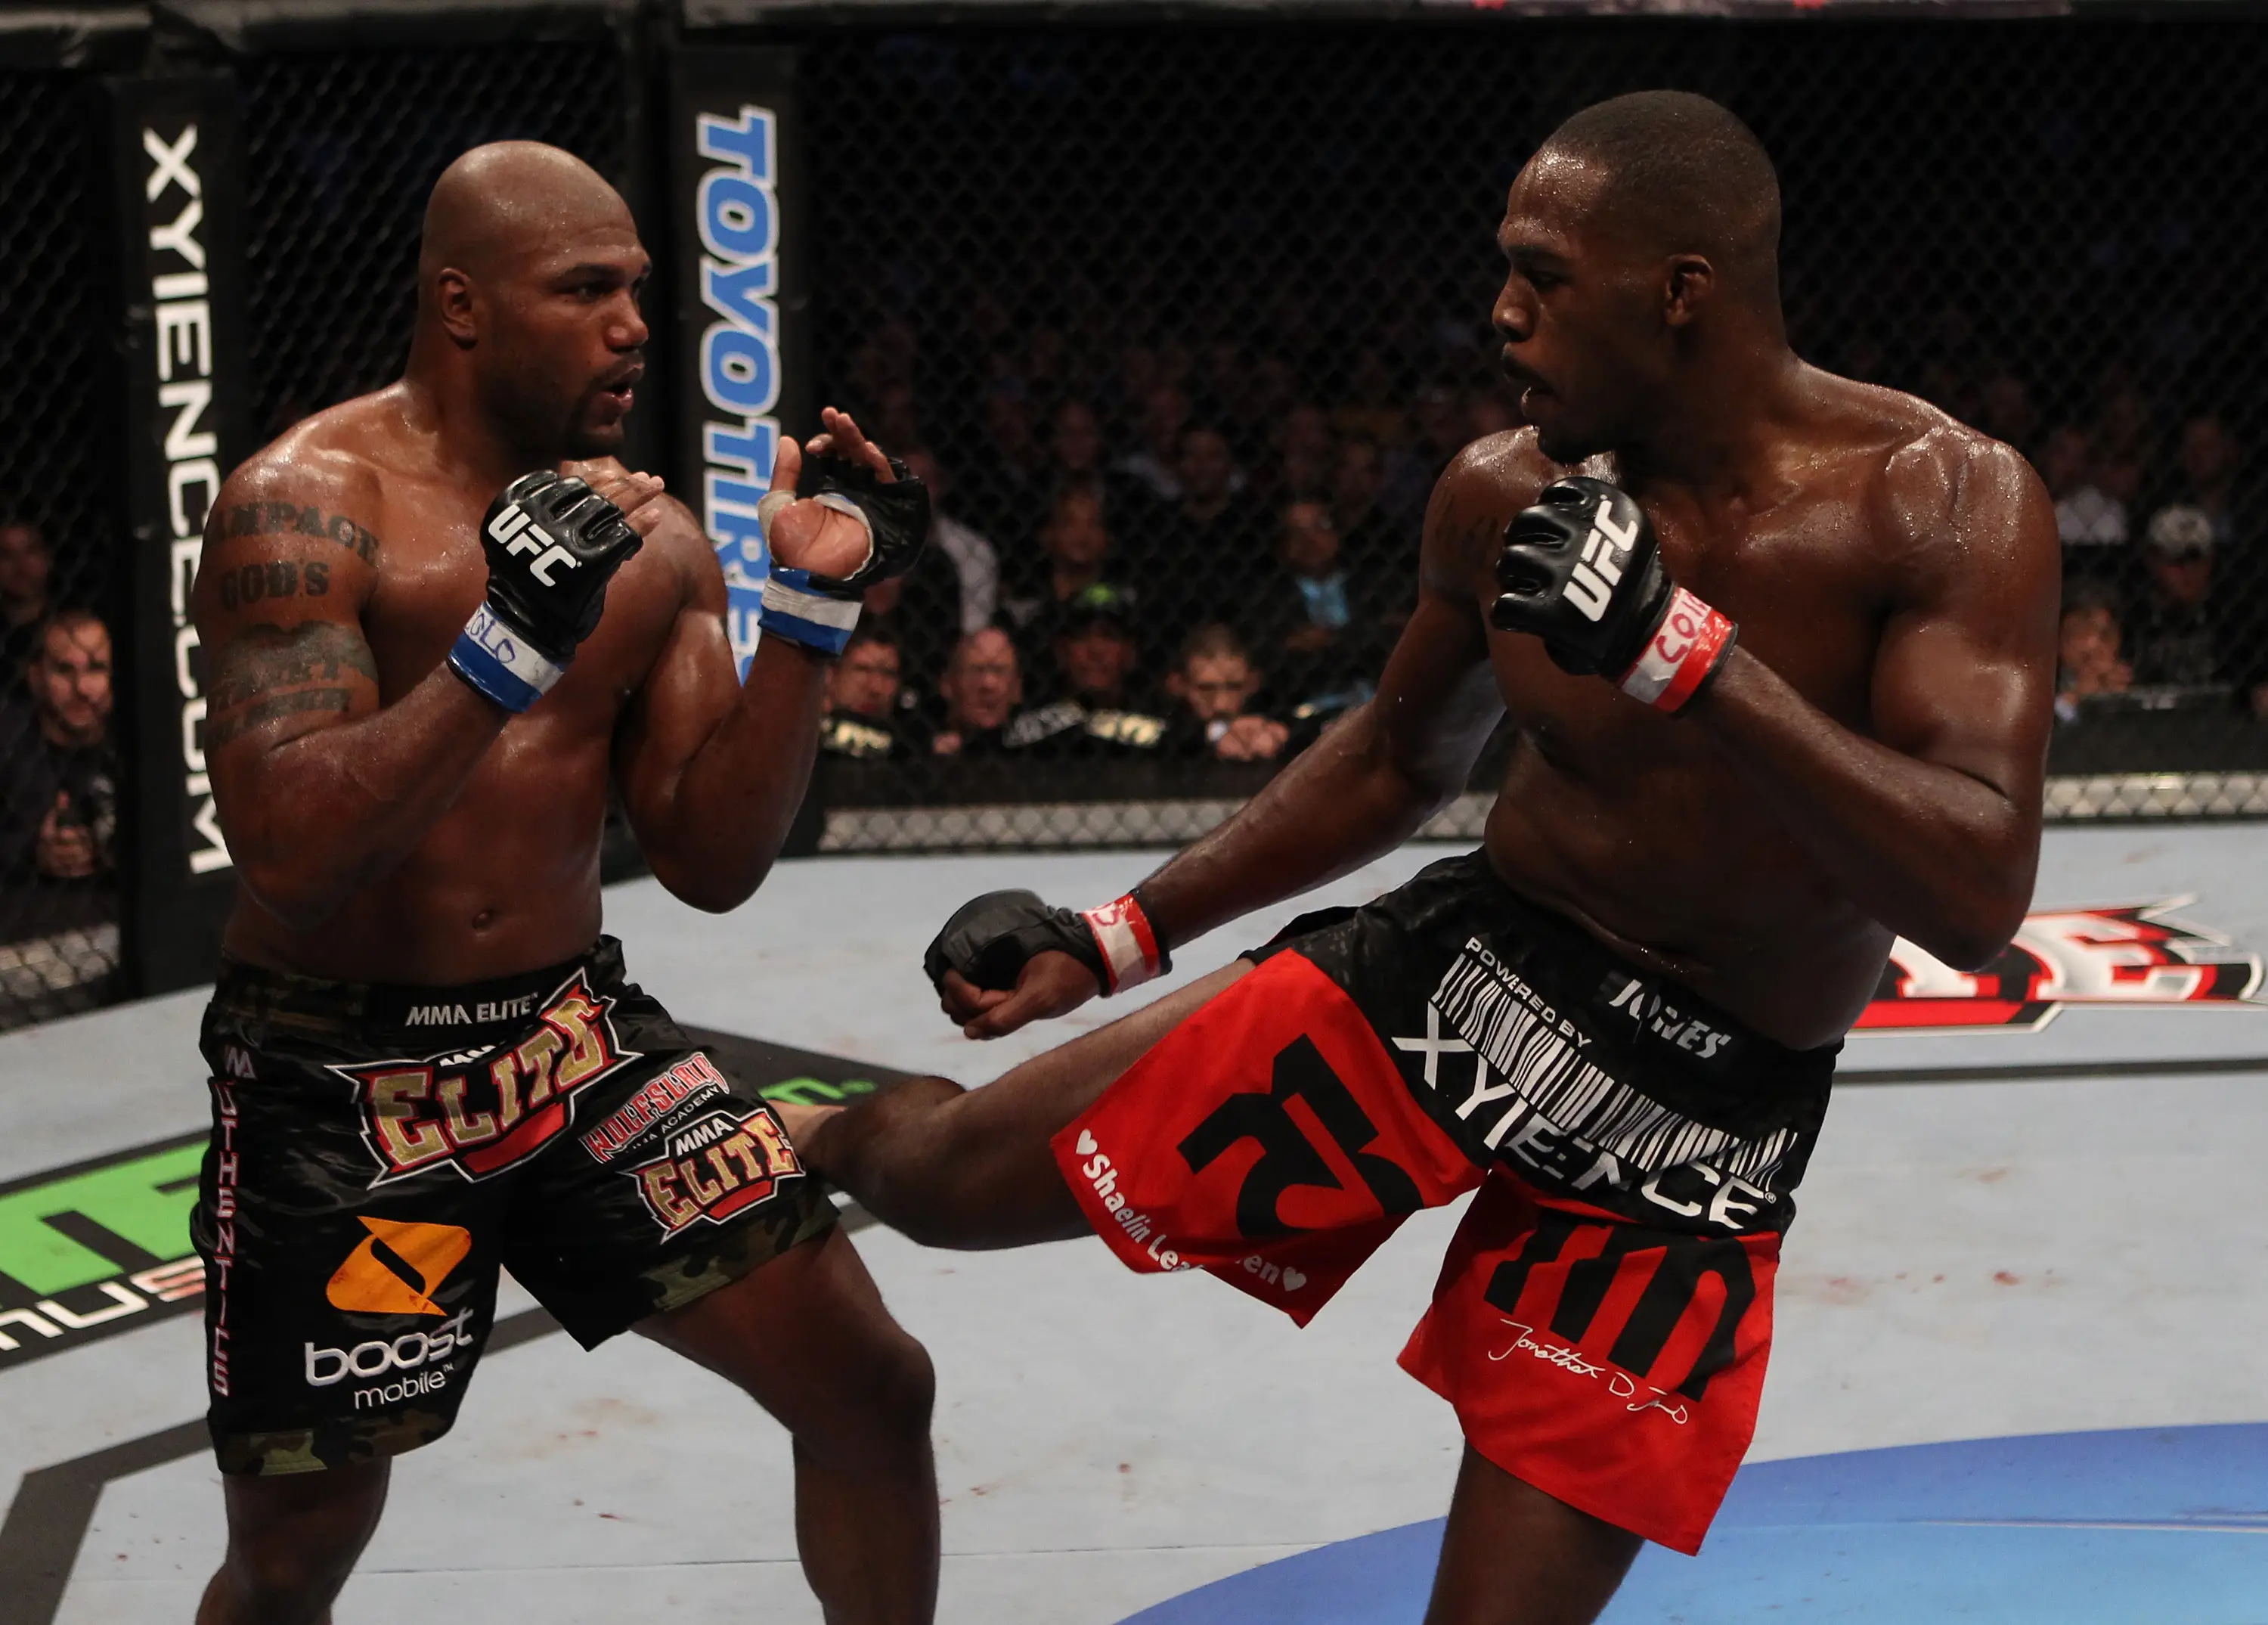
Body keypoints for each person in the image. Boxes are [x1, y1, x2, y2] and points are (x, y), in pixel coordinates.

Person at [790, 91, 2057, 1624]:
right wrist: (1117, 930)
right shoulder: (1503, 491)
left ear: (1682, 292)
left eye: (1545, 274)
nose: (1503, 314)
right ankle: (772, 1140)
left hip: (1695, 1126)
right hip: (1462, 980)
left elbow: (1978, 894)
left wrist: (1687, 657)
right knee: (933, 1180)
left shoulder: (1942, 502)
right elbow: (1400, 759)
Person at [186, 142, 937, 1625]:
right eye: (585, 290)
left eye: (640, 292)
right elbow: (290, 848)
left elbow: (711, 860)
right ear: (462, 307)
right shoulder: (301, 508)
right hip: (339, 1084)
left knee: (871, 1387)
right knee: (292, 1557)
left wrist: (809, 607)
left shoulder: (650, 540)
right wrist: (504, 641)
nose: (634, 328)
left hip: (566, 1047)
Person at [0, 610, 120, 902]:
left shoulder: (139, 738)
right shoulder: (9, 743)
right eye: (65, 670)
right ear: (36, 677)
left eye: (96, 668)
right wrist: (31, 851)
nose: (81, 688)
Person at [1160, 622, 1289, 761]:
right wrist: (1217, 736)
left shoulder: (1277, 714)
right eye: (1205, 689)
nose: (1221, 705)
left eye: (1234, 687)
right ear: (1179, 685)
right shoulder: (1162, 726)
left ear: (1253, 682)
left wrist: (1279, 736)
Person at [929, 626, 1024, 757]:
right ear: (948, 684)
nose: (988, 684)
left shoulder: (1038, 752)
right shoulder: (917, 748)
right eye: (977, 670)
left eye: (1000, 671)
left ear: (1017, 689)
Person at [820, 629, 915, 760]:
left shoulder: (907, 750)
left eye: (889, 674)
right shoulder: (803, 733)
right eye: (863, 670)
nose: (875, 689)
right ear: (831, 675)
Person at [2053, 580, 2132, 721]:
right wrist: (2081, 698)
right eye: (2081, 632)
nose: (2093, 645)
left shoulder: (2133, 678)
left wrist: (2120, 700)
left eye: (2106, 635)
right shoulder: (2037, 687)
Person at [0, 519, 54, 683]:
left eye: (30, 552)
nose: (20, 565)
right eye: (6, 555)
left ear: (47, 558)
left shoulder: (70, 623)